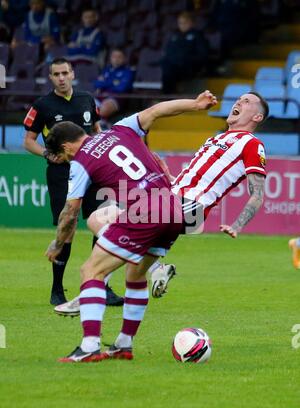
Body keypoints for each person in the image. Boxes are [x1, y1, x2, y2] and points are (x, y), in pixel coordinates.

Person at [55, 91, 269, 318]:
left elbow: (258, 193)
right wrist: (169, 177)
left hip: (191, 207)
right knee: (107, 224)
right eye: (239, 98)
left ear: (257, 117)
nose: (238, 102)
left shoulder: (252, 144)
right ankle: (124, 313)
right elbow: (194, 179)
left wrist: (238, 224)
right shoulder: (215, 139)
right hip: (172, 198)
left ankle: (93, 292)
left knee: (104, 219)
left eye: (246, 102)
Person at [44, 90, 218, 362]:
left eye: (62, 156)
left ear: (66, 147)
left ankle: (89, 346)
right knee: (135, 276)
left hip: (145, 211)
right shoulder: (121, 128)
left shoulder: (80, 162)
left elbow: (69, 212)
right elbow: (157, 111)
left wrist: (57, 244)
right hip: (174, 208)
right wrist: (195, 105)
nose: (65, 161)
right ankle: (123, 345)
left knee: (91, 270)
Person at [23, 57, 123, 307]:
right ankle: (57, 289)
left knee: (103, 222)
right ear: (50, 77)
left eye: (64, 73)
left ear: (72, 73)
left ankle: (102, 285)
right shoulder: (42, 105)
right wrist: (47, 154)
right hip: (61, 175)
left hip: (93, 172)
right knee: (66, 231)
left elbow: (98, 131)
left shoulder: (87, 99)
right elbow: (28, 140)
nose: (61, 78)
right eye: (56, 74)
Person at [161, 11, 208, 94]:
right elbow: (168, 52)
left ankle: (168, 96)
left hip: (189, 66)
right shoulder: (175, 36)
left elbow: (202, 55)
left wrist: (187, 59)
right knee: (166, 66)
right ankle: (166, 96)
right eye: (180, 23)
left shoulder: (198, 36)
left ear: (191, 23)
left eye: (185, 23)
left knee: (170, 70)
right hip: (174, 66)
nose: (182, 25)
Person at [94, 48, 134, 124]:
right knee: (85, 106)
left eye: (119, 57)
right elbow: (96, 84)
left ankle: (103, 124)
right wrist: (113, 82)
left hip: (117, 98)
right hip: (101, 96)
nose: (116, 59)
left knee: (104, 109)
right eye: (114, 56)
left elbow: (121, 88)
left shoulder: (128, 72)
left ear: (124, 59)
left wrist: (105, 83)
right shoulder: (106, 70)